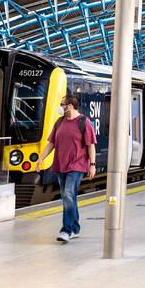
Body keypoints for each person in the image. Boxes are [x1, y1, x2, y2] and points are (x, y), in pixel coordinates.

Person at [43, 93, 97, 243]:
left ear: (70, 106)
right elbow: (51, 143)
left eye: (62, 104)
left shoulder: (84, 122)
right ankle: (75, 228)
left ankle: (66, 230)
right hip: (61, 165)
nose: (60, 107)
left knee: (67, 195)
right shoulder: (59, 122)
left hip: (77, 165)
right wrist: (41, 158)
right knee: (70, 197)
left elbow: (90, 145)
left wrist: (92, 165)